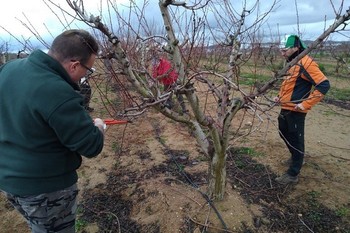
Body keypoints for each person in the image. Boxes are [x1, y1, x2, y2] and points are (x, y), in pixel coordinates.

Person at [0, 29, 106, 232]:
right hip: (46, 191)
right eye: (88, 69)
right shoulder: (58, 91)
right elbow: (91, 145)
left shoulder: (8, 69)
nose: (87, 74)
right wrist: (99, 127)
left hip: (9, 180)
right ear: (75, 65)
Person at [274, 35, 330, 185]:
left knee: (296, 139)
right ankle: (295, 157)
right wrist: (279, 96)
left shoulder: (306, 63)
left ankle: (293, 173)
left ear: (295, 48)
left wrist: (305, 104)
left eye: (285, 49)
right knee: (283, 132)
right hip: (286, 107)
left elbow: (324, 85)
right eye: (281, 50)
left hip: (296, 110)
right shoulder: (292, 64)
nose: (282, 53)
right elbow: (291, 84)